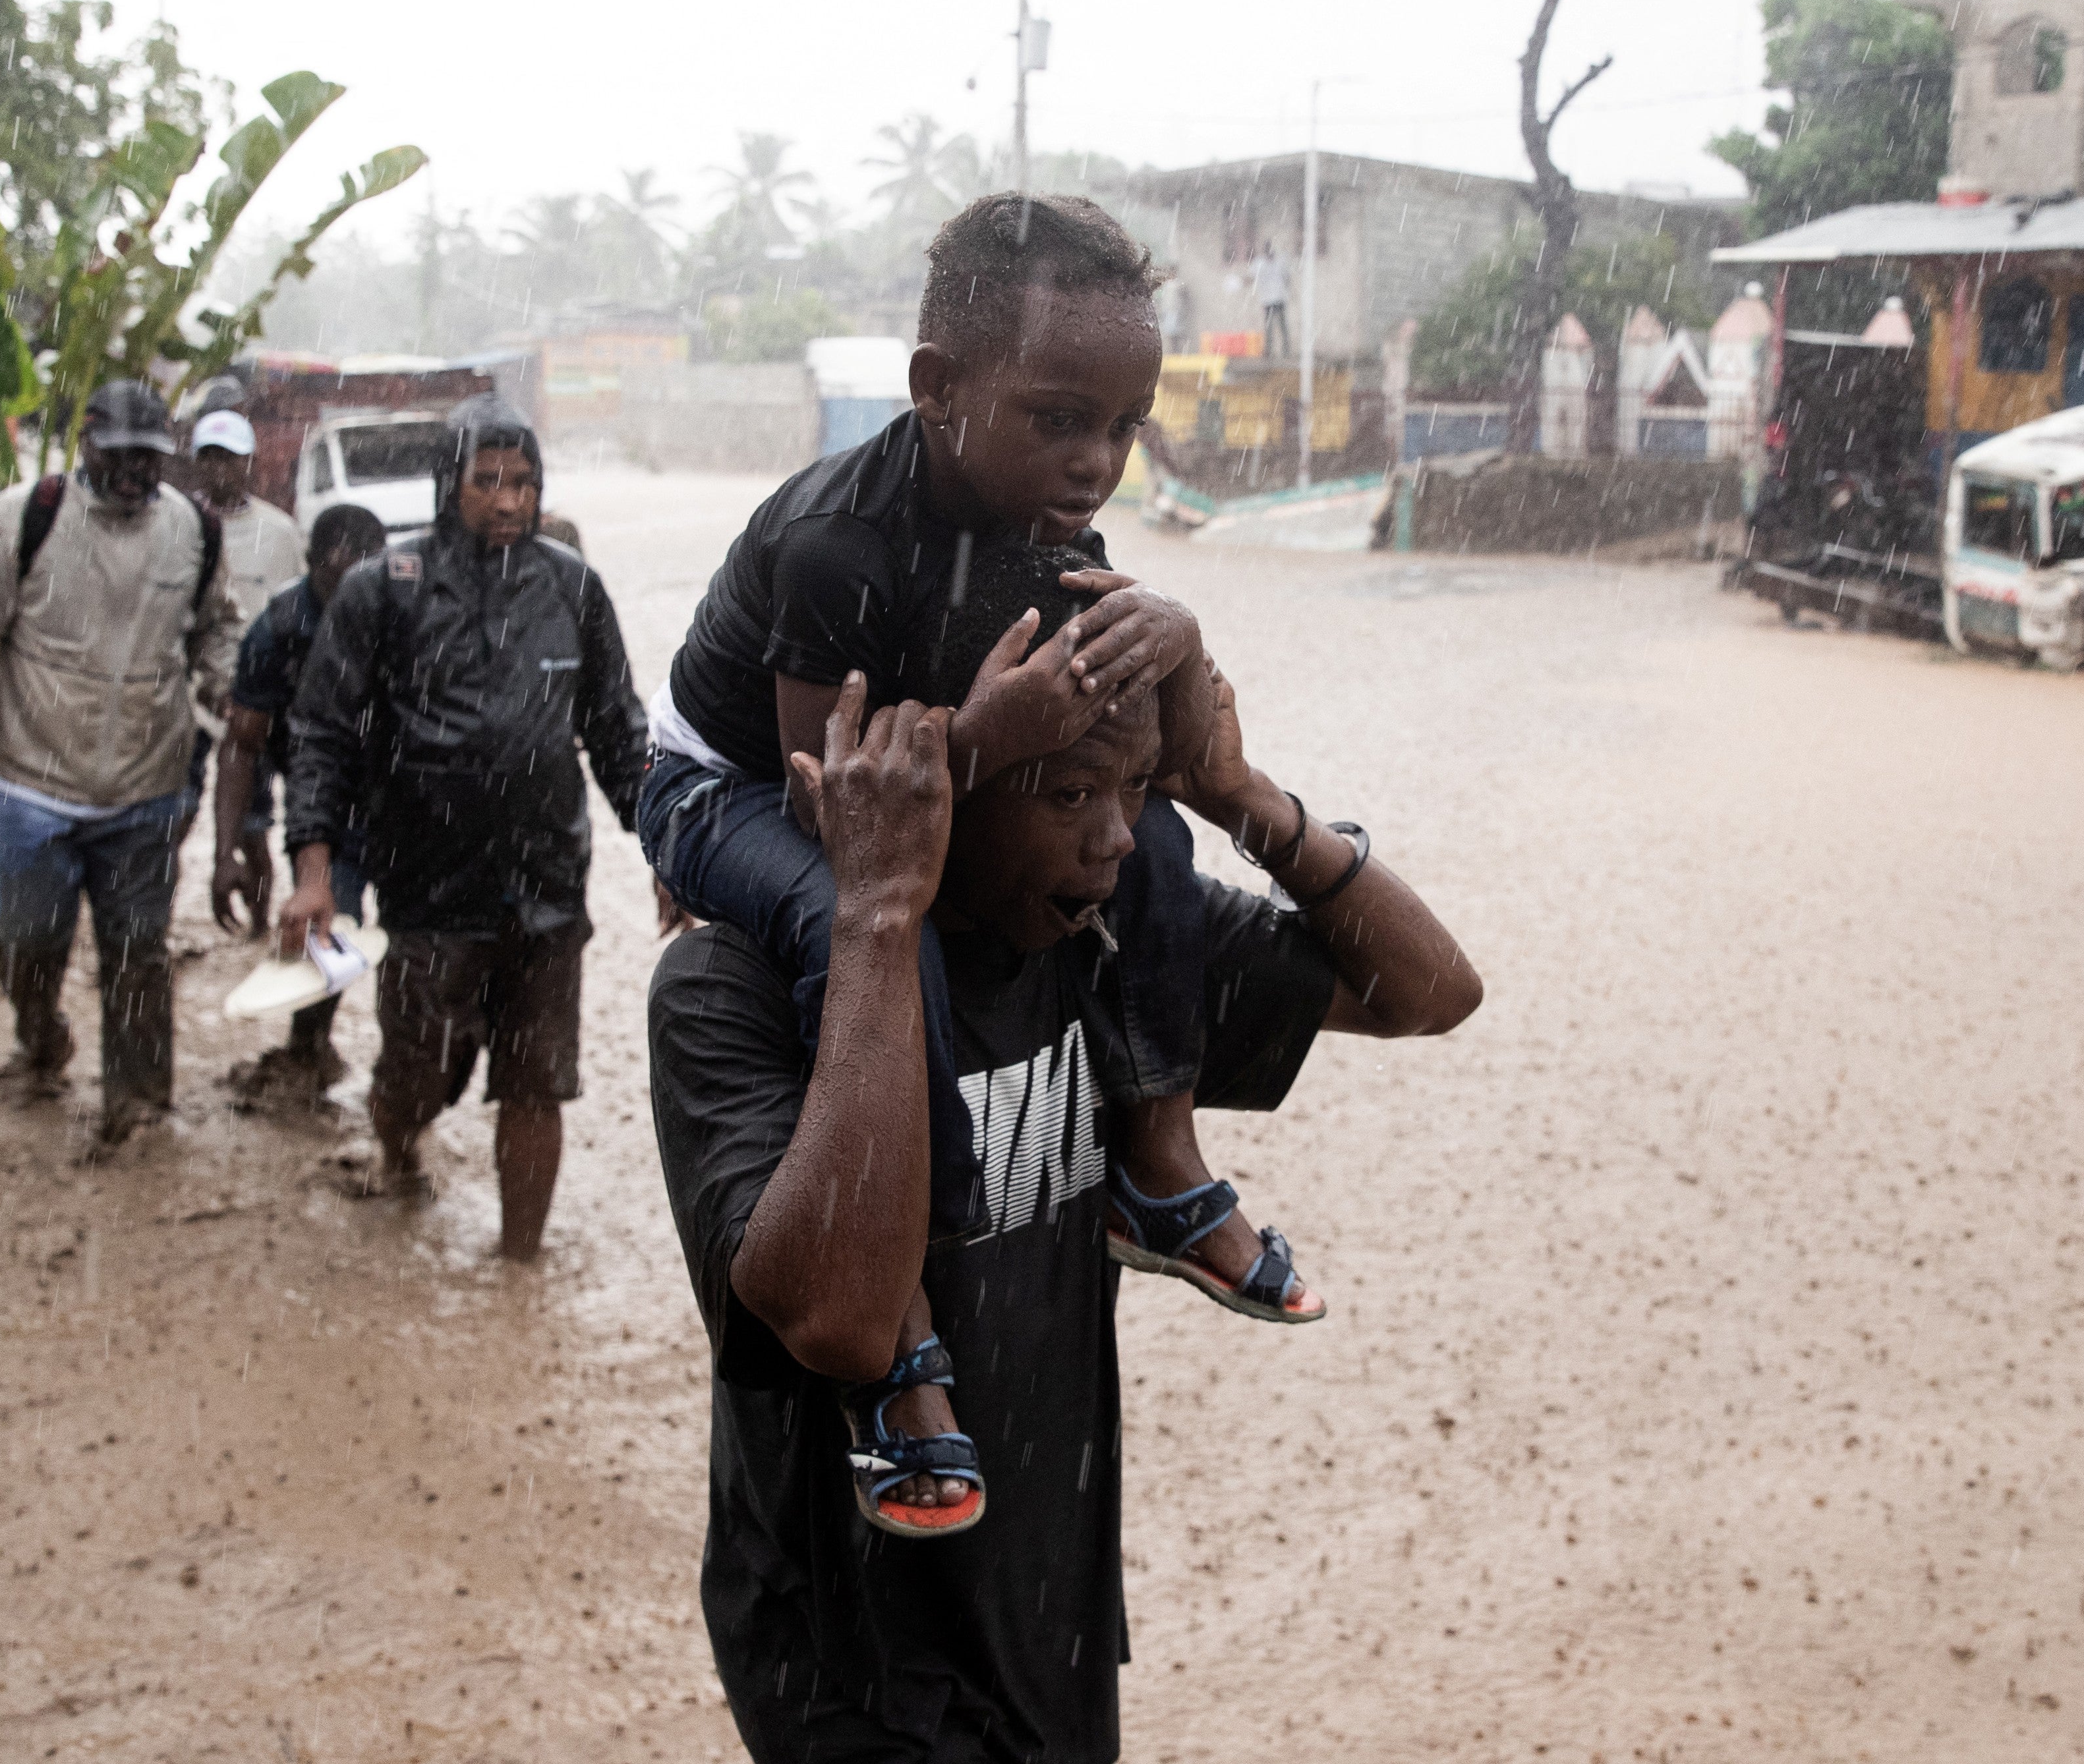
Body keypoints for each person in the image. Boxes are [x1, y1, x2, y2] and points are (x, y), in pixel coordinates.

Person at [647, 546, 1483, 1761]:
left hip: (1049, 1612)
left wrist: (1239, 793)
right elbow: (833, 1316)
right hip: (849, 1661)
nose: (1109, 842)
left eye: (1134, 791)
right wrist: (878, 913)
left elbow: (1426, 992)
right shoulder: (732, 991)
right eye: (1063, 797)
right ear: (939, 783)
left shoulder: (1113, 951)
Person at [641, 194, 1319, 1533]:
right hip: (727, 786)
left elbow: (1149, 744)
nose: (1095, 461)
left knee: (1148, 840)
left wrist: (1173, 631)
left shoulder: (1057, 538)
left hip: (892, 769)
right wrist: (989, 733)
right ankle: (893, 1327)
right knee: (854, 921)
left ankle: (1156, 1163)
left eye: (1124, 426)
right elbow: (826, 806)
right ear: (936, 389)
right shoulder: (838, 538)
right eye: (1057, 418)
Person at [279, 395, 648, 1261]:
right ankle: (399, 1146)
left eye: (523, 482)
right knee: (418, 1075)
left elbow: (617, 730)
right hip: (429, 887)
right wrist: (314, 870)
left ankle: (519, 1265)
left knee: (536, 1085)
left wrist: (668, 847)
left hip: (548, 889)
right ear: (450, 485)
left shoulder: (573, 587)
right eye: (487, 482)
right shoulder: (385, 591)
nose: (509, 501)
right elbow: (323, 735)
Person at [0, 380, 241, 1158]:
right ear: (87, 445)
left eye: (152, 459)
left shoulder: (193, 531)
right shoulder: (22, 521)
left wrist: (234, 692)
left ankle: (136, 1106)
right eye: (123, 456)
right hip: (34, 785)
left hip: (147, 788)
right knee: (20, 939)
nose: (139, 473)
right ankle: (41, 1037)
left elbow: (215, 633)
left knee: (138, 955)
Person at [209, 503, 390, 1102]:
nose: (349, 602)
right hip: (324, 807)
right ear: (310, 564)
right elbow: (242, 745)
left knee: (417, 951)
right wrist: (227, 847)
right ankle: (307, 1050)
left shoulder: (408, 614)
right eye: (337, 581)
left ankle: (402, 1081)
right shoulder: (278, 628)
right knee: (324, 929)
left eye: (363, 580)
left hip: (407, 807)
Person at [177, 408, 308, 847]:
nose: (220, 469)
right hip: (189, 694)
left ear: (248, 462)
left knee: (254, 829)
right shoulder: (178, 527)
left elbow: (296, 612)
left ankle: (256, 914)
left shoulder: (279, 532)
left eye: (229, 458)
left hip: (257, 698)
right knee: (178, 812)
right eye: (210, 458)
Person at [1252, 242, 1290, 357]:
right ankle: (1269, 350)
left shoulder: (1280, 262)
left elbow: (1287, 278)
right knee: (1269, 327)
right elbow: (1251, 277)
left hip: (1279, 298)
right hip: (1268, 300)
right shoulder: (1260, 263)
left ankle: (1286, 350)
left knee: (1282, 326)